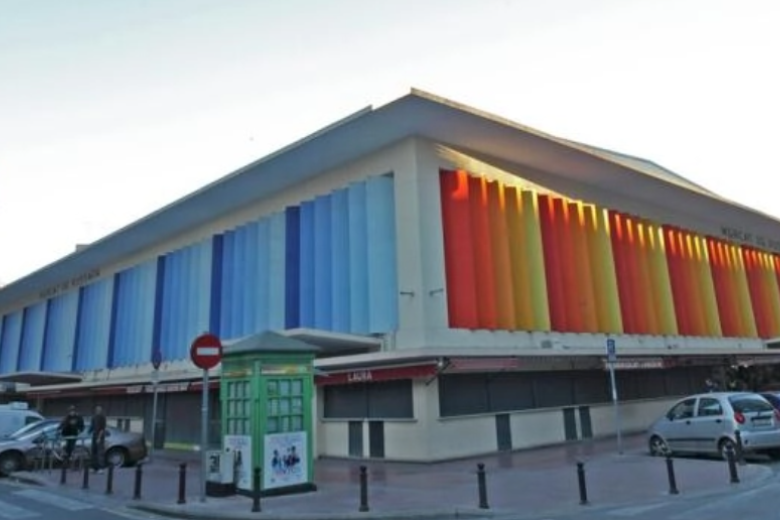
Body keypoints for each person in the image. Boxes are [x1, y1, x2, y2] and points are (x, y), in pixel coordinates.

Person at [89, 405, 107, 473]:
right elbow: (92, 427)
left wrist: (99, 437)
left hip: (100, 436)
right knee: (94, 452)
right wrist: (89, 432)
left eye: (99, 410)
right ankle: (94, 467)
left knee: (100, 452)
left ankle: (101, 468)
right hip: (94, 436)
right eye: (97, 410)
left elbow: (102, 429)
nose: (98, 411)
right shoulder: (93, 417)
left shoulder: (102, 417)